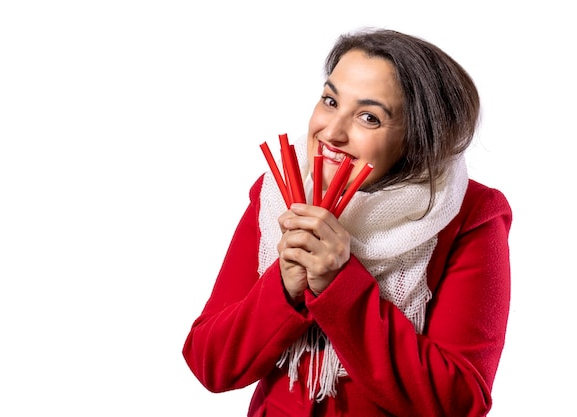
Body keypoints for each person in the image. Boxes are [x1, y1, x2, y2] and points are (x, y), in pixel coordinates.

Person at [182, 27, 512, 417]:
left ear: (418, 140)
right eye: (330, 100)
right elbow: (210, 364)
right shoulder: (277, 194)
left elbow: (459, 401)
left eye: (369, 117)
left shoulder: (469, 213)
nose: (332, 133)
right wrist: (285, 285)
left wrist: (339, 286)